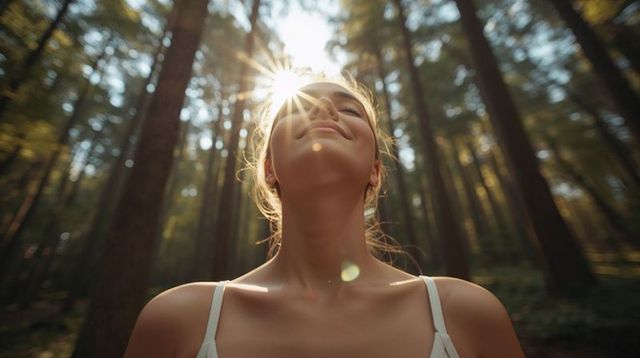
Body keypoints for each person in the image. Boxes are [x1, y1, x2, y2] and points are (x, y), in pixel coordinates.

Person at [124, 76, 525, 357]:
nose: (325, 109)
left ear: (375, 170)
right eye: (298, 109)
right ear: (268, 168)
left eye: (350, 110)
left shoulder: (467, 313)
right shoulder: (178, 319)